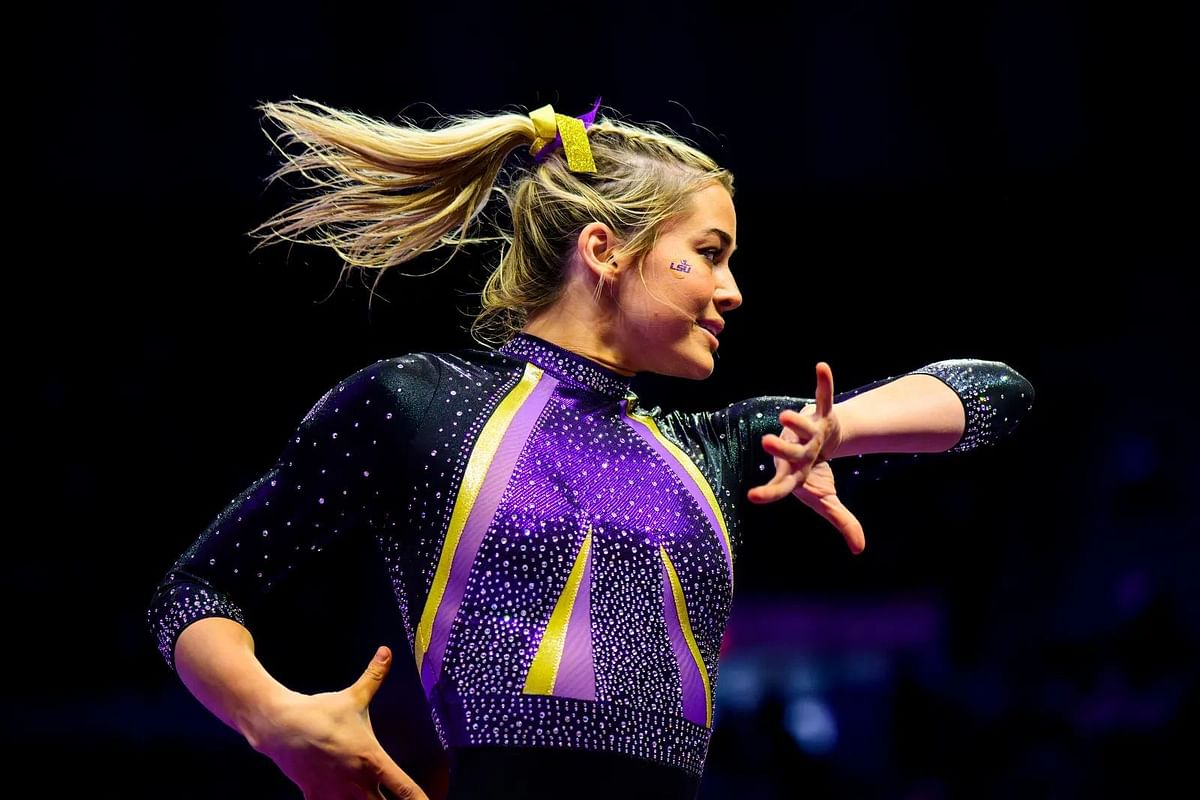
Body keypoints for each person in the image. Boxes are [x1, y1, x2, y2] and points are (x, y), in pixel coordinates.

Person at [146, 96, 1034, 800]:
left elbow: (998, 396)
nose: (732, 290)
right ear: (606, 251)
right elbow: (195, 588)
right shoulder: (418, 405)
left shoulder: (714, 449)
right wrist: (273, 718)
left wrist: (837, 428)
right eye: (709, 253)